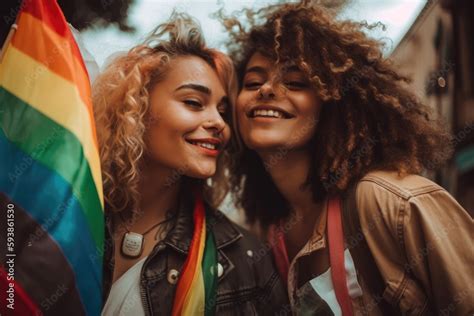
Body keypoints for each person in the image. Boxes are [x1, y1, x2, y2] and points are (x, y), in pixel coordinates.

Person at [221, 2, 474, 315]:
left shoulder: (388, 202)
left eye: (296, 82)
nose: (267, 90)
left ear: (334, 104)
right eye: (253, 82)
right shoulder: (266, 230)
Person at [93, 13, 288, 315]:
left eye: (223, 112)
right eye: (194, 103)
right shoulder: (62, 212)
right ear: (136, 106)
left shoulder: (246, 261)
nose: (218, 124)